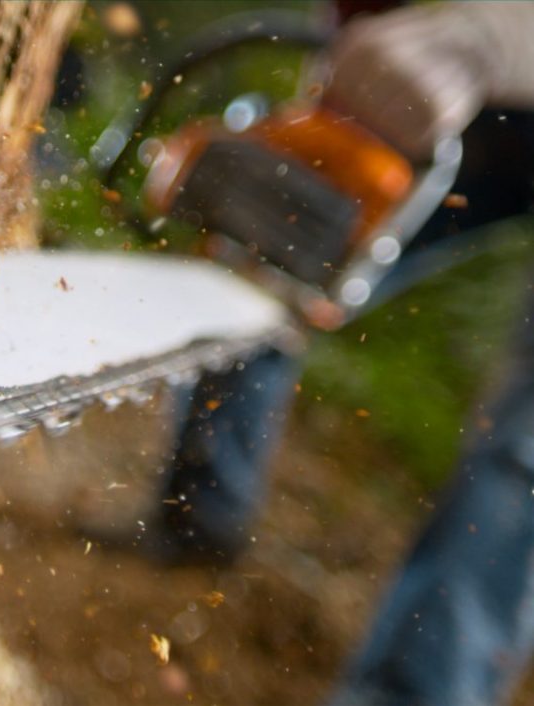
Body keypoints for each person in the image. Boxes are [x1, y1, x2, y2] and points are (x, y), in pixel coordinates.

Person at [156, 3, 534, 705]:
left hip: (493, 44)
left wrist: (498, 33)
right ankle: (198, 514)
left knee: (525, 455)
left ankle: (415, 693)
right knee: (282, 244)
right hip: (451, 67)